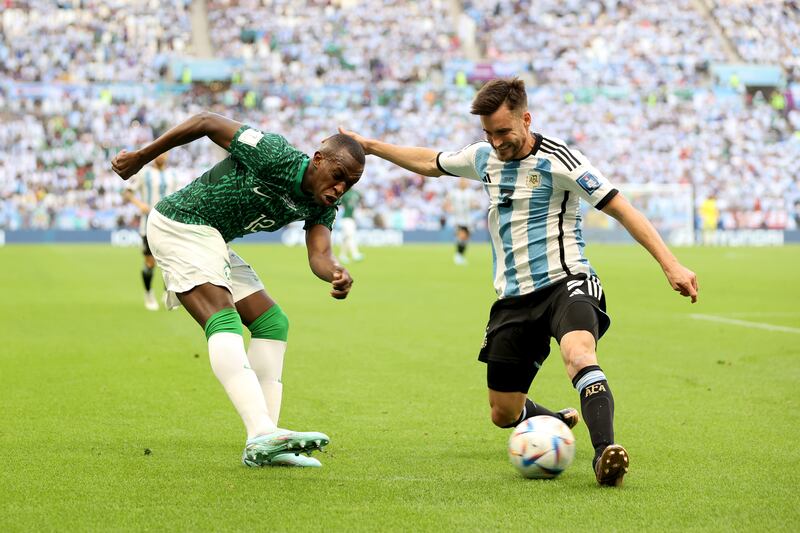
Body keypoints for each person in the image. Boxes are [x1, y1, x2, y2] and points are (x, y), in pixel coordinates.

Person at [340, 78, 698, 487]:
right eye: (488, 134)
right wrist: (369, 145)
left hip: (568, 281)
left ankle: (606, 456)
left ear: (526, 119)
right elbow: (430, 162)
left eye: (504, 132)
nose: (496, 142)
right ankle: (552, 420)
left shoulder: (561, 160)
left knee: (579, 354)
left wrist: (671, 265)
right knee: (503, 413)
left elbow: (621, 208)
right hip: (513, 297)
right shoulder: (483, 158)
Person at [112, 111, 365, 467]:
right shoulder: (273, 154)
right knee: (223, 315)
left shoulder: (323, 204)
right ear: (318, 160)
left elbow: (319, 254)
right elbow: (205, 122)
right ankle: (261, 431)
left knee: (273, 322)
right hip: (180, 223)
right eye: (338, 177)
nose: (340, 188)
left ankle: (267, 441)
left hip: (212, 239)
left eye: (348, 185)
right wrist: (141, 157)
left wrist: (336, 271)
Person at [122, 152, 183, 310]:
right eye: (159, 153)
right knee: (150, 263)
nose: (161, 156)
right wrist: (139, 204)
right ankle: (148, 293)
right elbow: (127, 192)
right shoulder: (144, 173)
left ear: (169, 155)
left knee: (172, 262)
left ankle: (168, 292)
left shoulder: (174, 174)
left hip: (170, 226)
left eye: (165, 153)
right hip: (149, 225)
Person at [445, 178, 479, 265]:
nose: (464, 183)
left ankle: (460, 255)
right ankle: (458, 256)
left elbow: (476, 204)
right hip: (457, 218)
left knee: (465, 238)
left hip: (468, 219)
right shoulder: (454, 192)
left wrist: (475, 205)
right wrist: (448, 208)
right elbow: (446, 203)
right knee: (462, 236)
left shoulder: (471, 192)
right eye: (462, 181)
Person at [337, 188, 364, 263]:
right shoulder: (353, 193)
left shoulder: (348, 193)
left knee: (346, 238)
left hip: (350, 218)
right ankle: (355, 254)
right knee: (350, 236)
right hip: (347, 218)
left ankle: (342, 255)